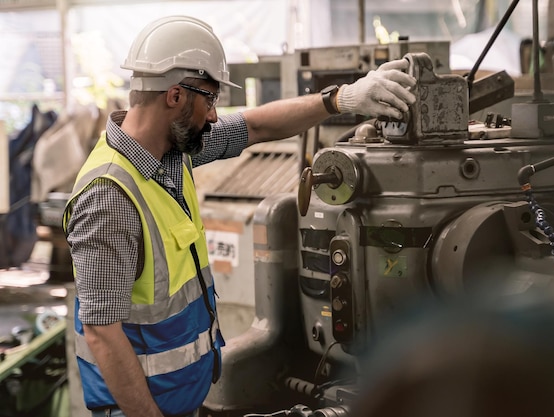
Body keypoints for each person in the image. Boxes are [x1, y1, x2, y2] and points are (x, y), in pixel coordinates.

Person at [62, 15, 417, 417]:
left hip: (179, 401)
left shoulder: (171, 154)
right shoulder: (110, 197)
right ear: (175, 97)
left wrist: (341, 99)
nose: (214, 116)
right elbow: (102, 332)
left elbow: (255, 126)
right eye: (210, 100)